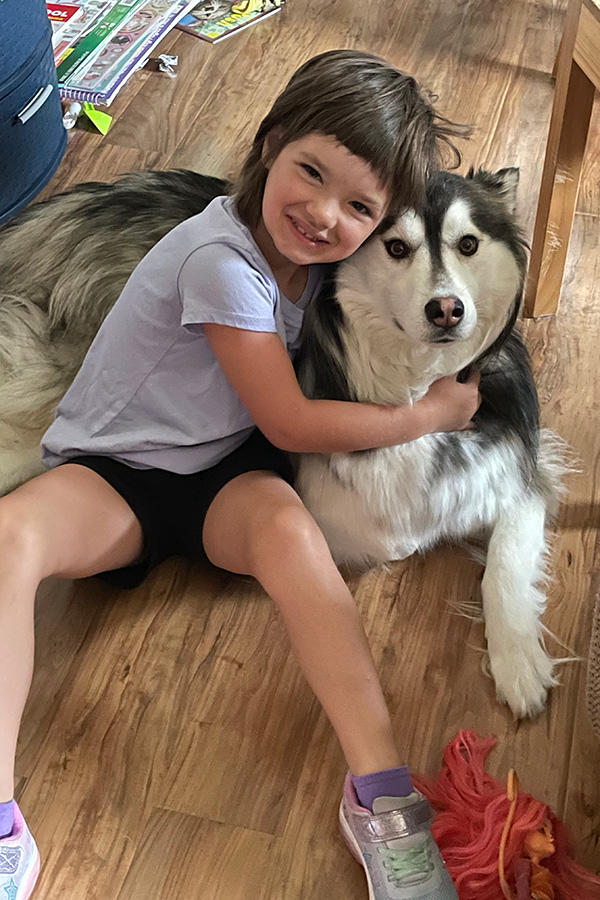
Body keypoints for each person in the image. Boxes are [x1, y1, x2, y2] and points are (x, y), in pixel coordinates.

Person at [0, 50, 480, 900]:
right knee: (11, 538)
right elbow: (289, 421)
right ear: (270, 143)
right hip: (120, 476)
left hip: (226, 473)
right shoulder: (218, 258)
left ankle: (383, 794)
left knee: (295, 540)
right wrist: (422, 419)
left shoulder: (334, 262)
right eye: (309, 172)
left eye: (358, 205)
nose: (324, 214)